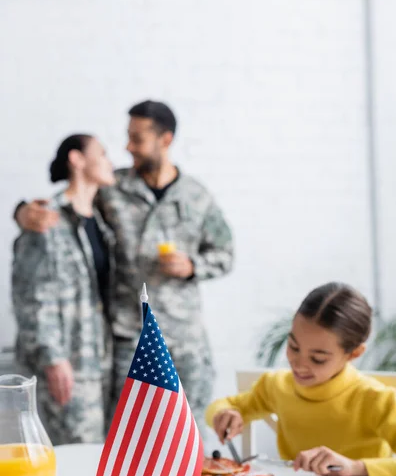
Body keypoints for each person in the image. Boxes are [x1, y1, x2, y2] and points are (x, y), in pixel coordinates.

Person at [13, 100, 234, 435]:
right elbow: (68, 208)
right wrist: (21, 212)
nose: (127, 147)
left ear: (165, 140)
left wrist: (192, 265)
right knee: (128, 436)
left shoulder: (196, 196)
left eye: (137, 138)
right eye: (127, 137)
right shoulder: (112, 188)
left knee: (187, 433)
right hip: (127, 338)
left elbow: (225, 253)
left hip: (185, 339)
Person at [206, 282, 396, 476]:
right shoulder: (276, 385)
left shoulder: (376, 399)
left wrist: (356, 467)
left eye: (318, 358)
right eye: (293, 347)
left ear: (354, 353)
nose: (299, 365)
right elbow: (222, 405)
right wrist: (224, 414)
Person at [12, 134, 116, 445]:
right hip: (66, 366)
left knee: (101, 455)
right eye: (103, 153)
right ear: (77, 159)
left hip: (102, 363)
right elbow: (29, 296)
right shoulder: (45, 219)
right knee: (75, 455)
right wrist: (54, 358)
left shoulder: (101, 222)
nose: (111, 161)